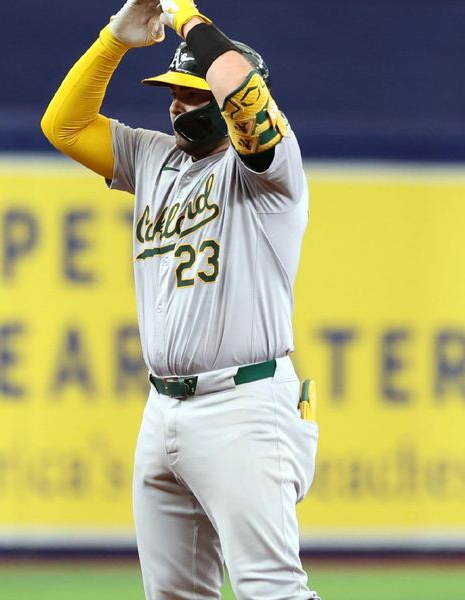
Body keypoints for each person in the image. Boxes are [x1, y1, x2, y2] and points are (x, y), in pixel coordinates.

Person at [41, 1, 319, 598]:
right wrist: (113, 40)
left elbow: (243, 91)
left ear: (228, 102)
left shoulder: (268, 171)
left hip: (243, 402)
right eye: (174, 92)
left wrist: (188, 17)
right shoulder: (154, 157)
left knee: (272, 589)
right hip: (162, 406)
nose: (176, 105)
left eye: (193, 95)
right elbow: (61, 127)